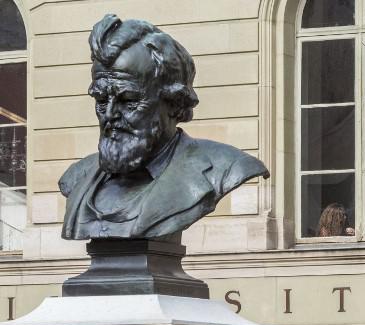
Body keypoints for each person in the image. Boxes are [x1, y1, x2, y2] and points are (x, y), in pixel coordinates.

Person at [59, 14, 269, 241]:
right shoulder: (77, 176)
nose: (110, 114)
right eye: (101, 100)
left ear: (174, 102)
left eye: (128, 100)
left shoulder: (227, 167)